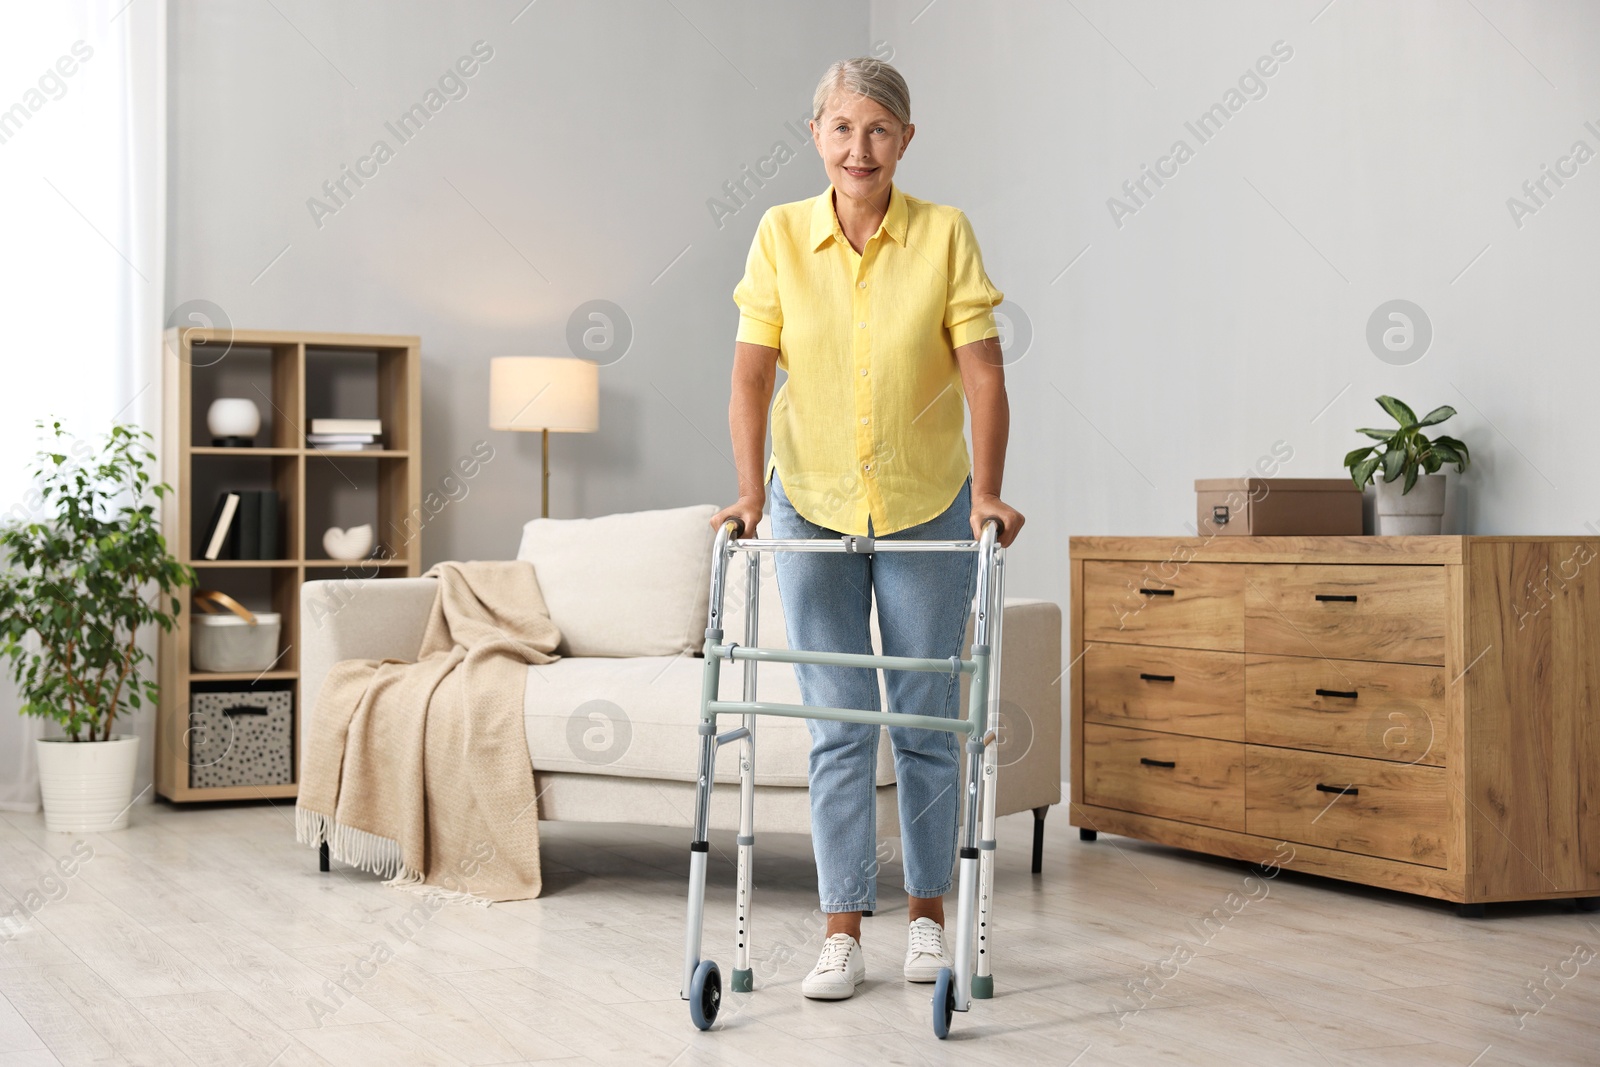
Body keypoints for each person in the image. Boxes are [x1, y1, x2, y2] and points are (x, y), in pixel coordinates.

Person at [710, 56, 1024, 1002]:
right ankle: (841, 930)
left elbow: (982, 376)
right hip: (808, 499)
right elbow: (752, 377)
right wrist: (748, 494)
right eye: (843, 129)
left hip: (929, 501)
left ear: (906, 140)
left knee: (927, 721)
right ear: (816, 136)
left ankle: (929, 920)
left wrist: (989, 494)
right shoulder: (777, 235)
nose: (860, 148)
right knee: (839, 723)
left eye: (879, 129)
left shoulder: (944, 235)